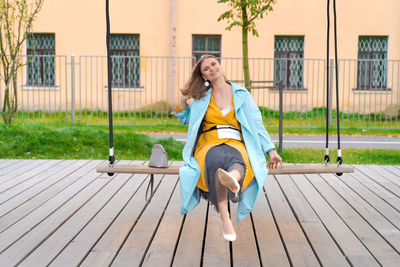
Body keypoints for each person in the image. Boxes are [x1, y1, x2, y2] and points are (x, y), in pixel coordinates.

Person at [175, 55, 282, 242]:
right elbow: (185, 118)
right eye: (206, 69)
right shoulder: (201, 98)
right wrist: (184, 100)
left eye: (213, 64)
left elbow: (257, 124)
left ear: (220, 65)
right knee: (216, 160)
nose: (211, 69)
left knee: (237, 158)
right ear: (204, 77)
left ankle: (233, 177)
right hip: (209, 142)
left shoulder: (241, 94)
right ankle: (226, 216)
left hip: (236, 142)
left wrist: (271, 151)